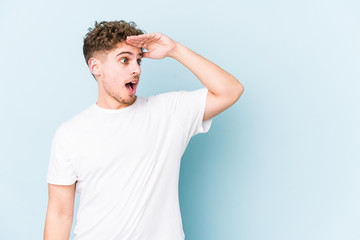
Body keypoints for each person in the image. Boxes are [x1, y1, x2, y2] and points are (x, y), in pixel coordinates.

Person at [43, 20, 244, 240]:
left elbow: (230, 90)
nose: (136, 69)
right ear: (95, 67)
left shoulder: (169, 113)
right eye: (124, 60)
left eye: (138, 60)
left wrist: (175, 50)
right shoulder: (70, 134)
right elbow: (60, 213)